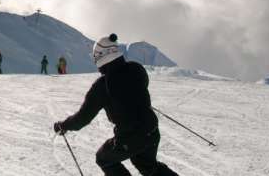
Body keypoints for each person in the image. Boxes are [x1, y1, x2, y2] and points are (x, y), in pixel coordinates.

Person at [53, 33, 178, 176]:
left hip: (130, 137)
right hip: (151, 130)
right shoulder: (136, 69)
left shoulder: (102, 86)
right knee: (147, 165)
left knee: (104, 158)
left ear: (100, 56)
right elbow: (142, 85)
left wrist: (64, 125)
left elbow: (83, 118)